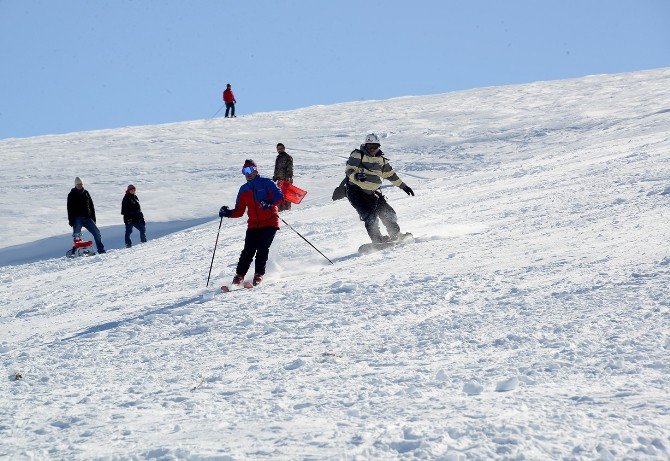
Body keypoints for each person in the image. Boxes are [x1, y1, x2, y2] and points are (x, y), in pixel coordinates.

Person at [219, 159, 284, 286]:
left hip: (270, 222)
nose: (247, 173)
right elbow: (239, 211)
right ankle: (239, 276)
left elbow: (279, 196)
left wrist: (269, 202)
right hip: (253, 224)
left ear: (255, 170)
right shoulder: (243, 190)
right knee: (248, 250)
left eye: (249, 170)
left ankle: (258, 275)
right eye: (244, 171)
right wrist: (226, 213)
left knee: (262, 248)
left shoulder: (266, 182)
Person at [345, 133, 415, 243]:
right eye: (370, 146)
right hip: (356, 192)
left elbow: (391, 175)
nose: (372, 149)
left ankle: (396, 235)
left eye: (375, 146)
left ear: (379, 146)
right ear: (365, 145)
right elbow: (349, 170)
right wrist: (357, 176)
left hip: (373, 192)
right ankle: (377, 241)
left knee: (388, 213)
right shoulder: (358, 155)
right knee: (370, 216)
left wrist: (403, 186)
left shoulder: (381, 160)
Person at [67, 177, 106, 254]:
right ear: (75, 185)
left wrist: (93, 218)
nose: (80, 185)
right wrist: (71, 220)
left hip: (87, 217)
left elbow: (91, 206)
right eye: (78, 184)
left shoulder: (86, 193)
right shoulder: (71, 194)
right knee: (77, 236)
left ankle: (101, 250)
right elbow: (69, 208)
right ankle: (76, 251)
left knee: (97, 233)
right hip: (77, 218)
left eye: (81, 184)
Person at [272, 143, 294, 212]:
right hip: (279, 180)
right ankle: (280, 210)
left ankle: (287, 210)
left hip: (286, 180)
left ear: (284, 148)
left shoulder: (288, 157)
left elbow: (290, 168)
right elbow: (277, 168)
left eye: (281, 148)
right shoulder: (278, 158)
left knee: (286, 196)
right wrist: (275, 177)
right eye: (278, 149)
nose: (280, 150)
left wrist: (289, 177)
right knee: (279, 195)